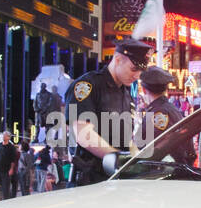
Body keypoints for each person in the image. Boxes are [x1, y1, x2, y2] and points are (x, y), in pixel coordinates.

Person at [66, 38, 154, 186]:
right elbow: (82, 133)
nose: (137, 76)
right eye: (134, 69)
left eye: (140, 71)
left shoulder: (126, 93)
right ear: (118, 59)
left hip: (116, 180)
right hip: (90, 182)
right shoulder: (88, 85)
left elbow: (126, 137)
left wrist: (137, 161)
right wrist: (118, 159)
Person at [135, 66, 184, 149]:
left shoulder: (158, 113)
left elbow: (148, 149)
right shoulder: (170, 108)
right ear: (165, 90)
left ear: (144, 90)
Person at [0, 130, 19, 201]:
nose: (3, 136)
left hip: (6, 170)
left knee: (5, 188)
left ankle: (6, 201)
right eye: (3, 135)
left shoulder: (11, 147)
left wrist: (11, 169)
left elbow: (13, 160)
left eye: (5, 135)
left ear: (8, 137)